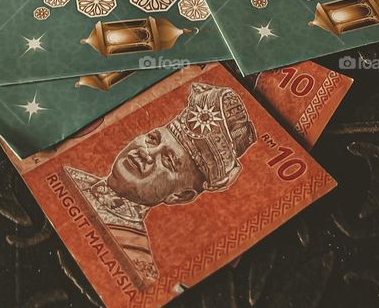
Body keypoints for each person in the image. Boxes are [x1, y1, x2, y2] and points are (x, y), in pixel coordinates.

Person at [62, 80, 257, 285]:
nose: (147, 153)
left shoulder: (136, 267)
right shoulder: (68, 175)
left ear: (180, 195)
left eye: (168, 160)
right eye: (153, 139)